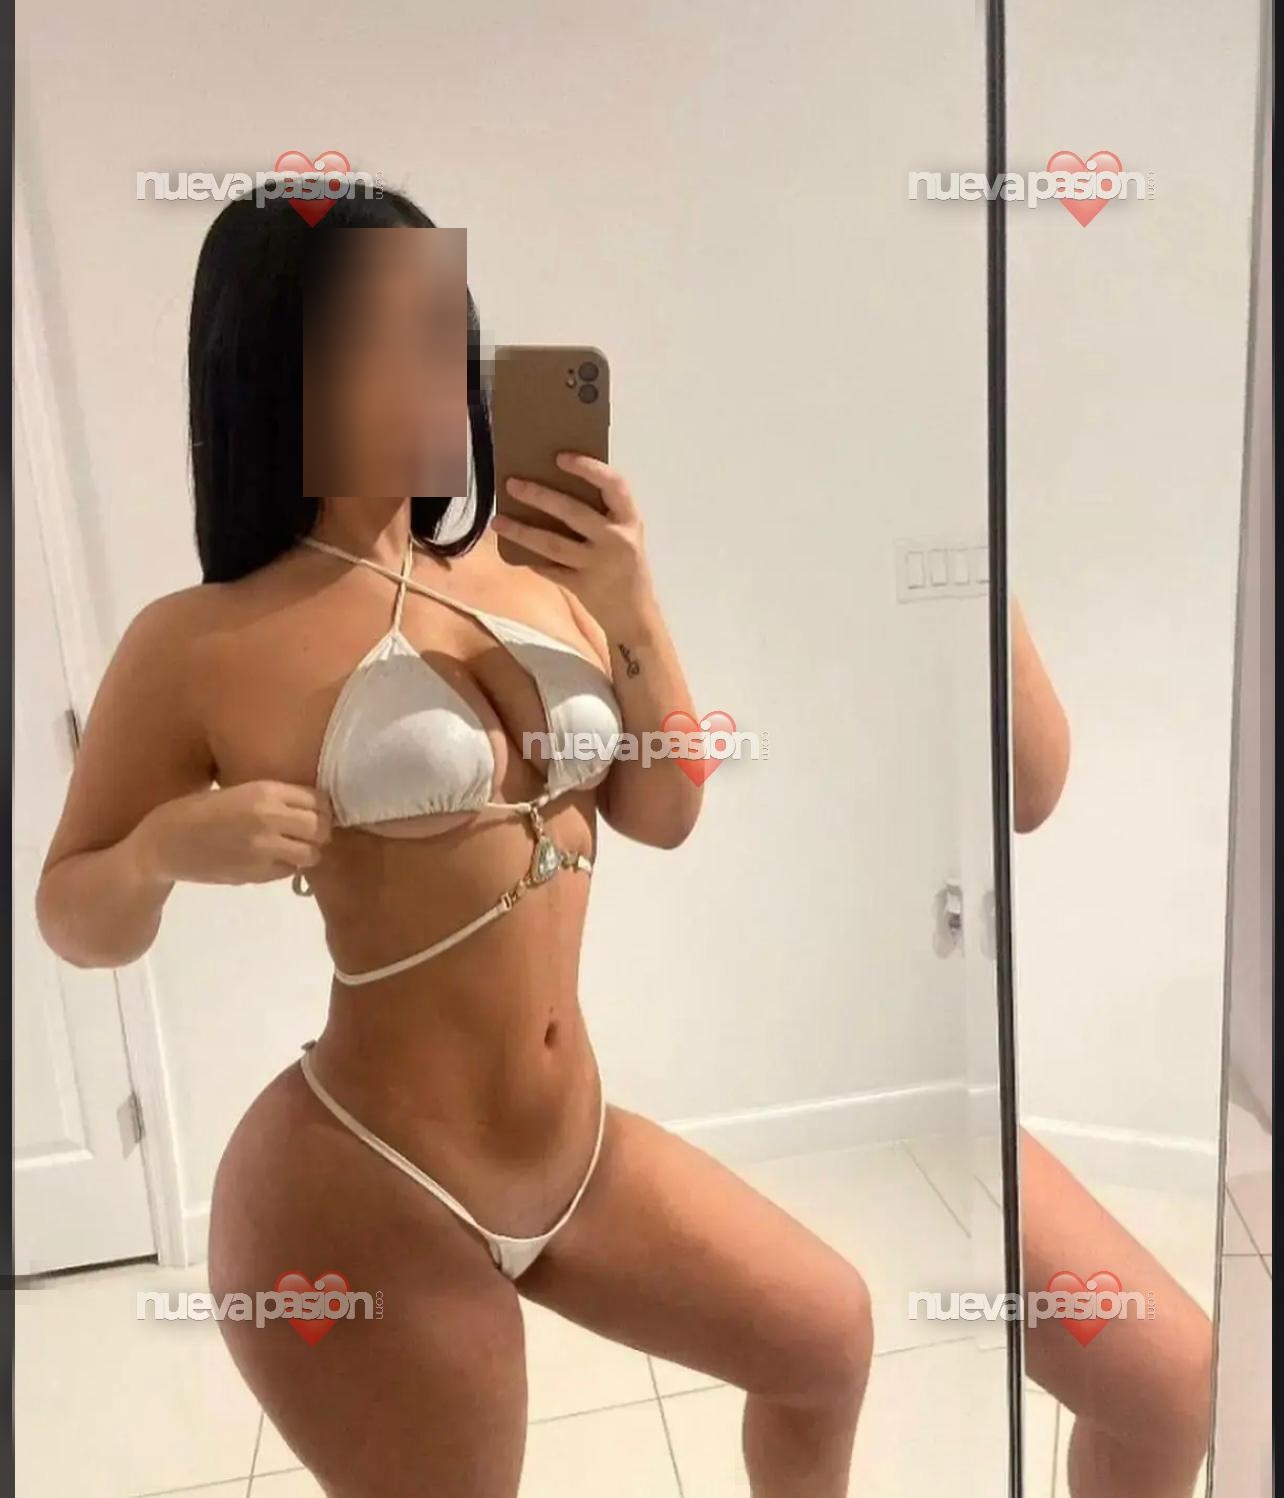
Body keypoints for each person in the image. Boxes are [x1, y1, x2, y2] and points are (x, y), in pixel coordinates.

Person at [34, 186, 872, 1498]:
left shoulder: (541, 572)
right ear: (276, 369)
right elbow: (72, 912)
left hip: (572, 1147)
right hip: (363, 1180)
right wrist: (164, 848)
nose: (427, 371)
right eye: (376, 338)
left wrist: (632, 598)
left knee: (826, 1341)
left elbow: (667, 808)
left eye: (441, 328)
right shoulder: (199, 640)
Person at [1010, 597, 1214, 1498]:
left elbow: (1032, 787)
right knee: (816, 1356)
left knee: (1169, 1384)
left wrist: (987, 578)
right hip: (832, 1083)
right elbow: (675, 806)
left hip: (942, 1088)